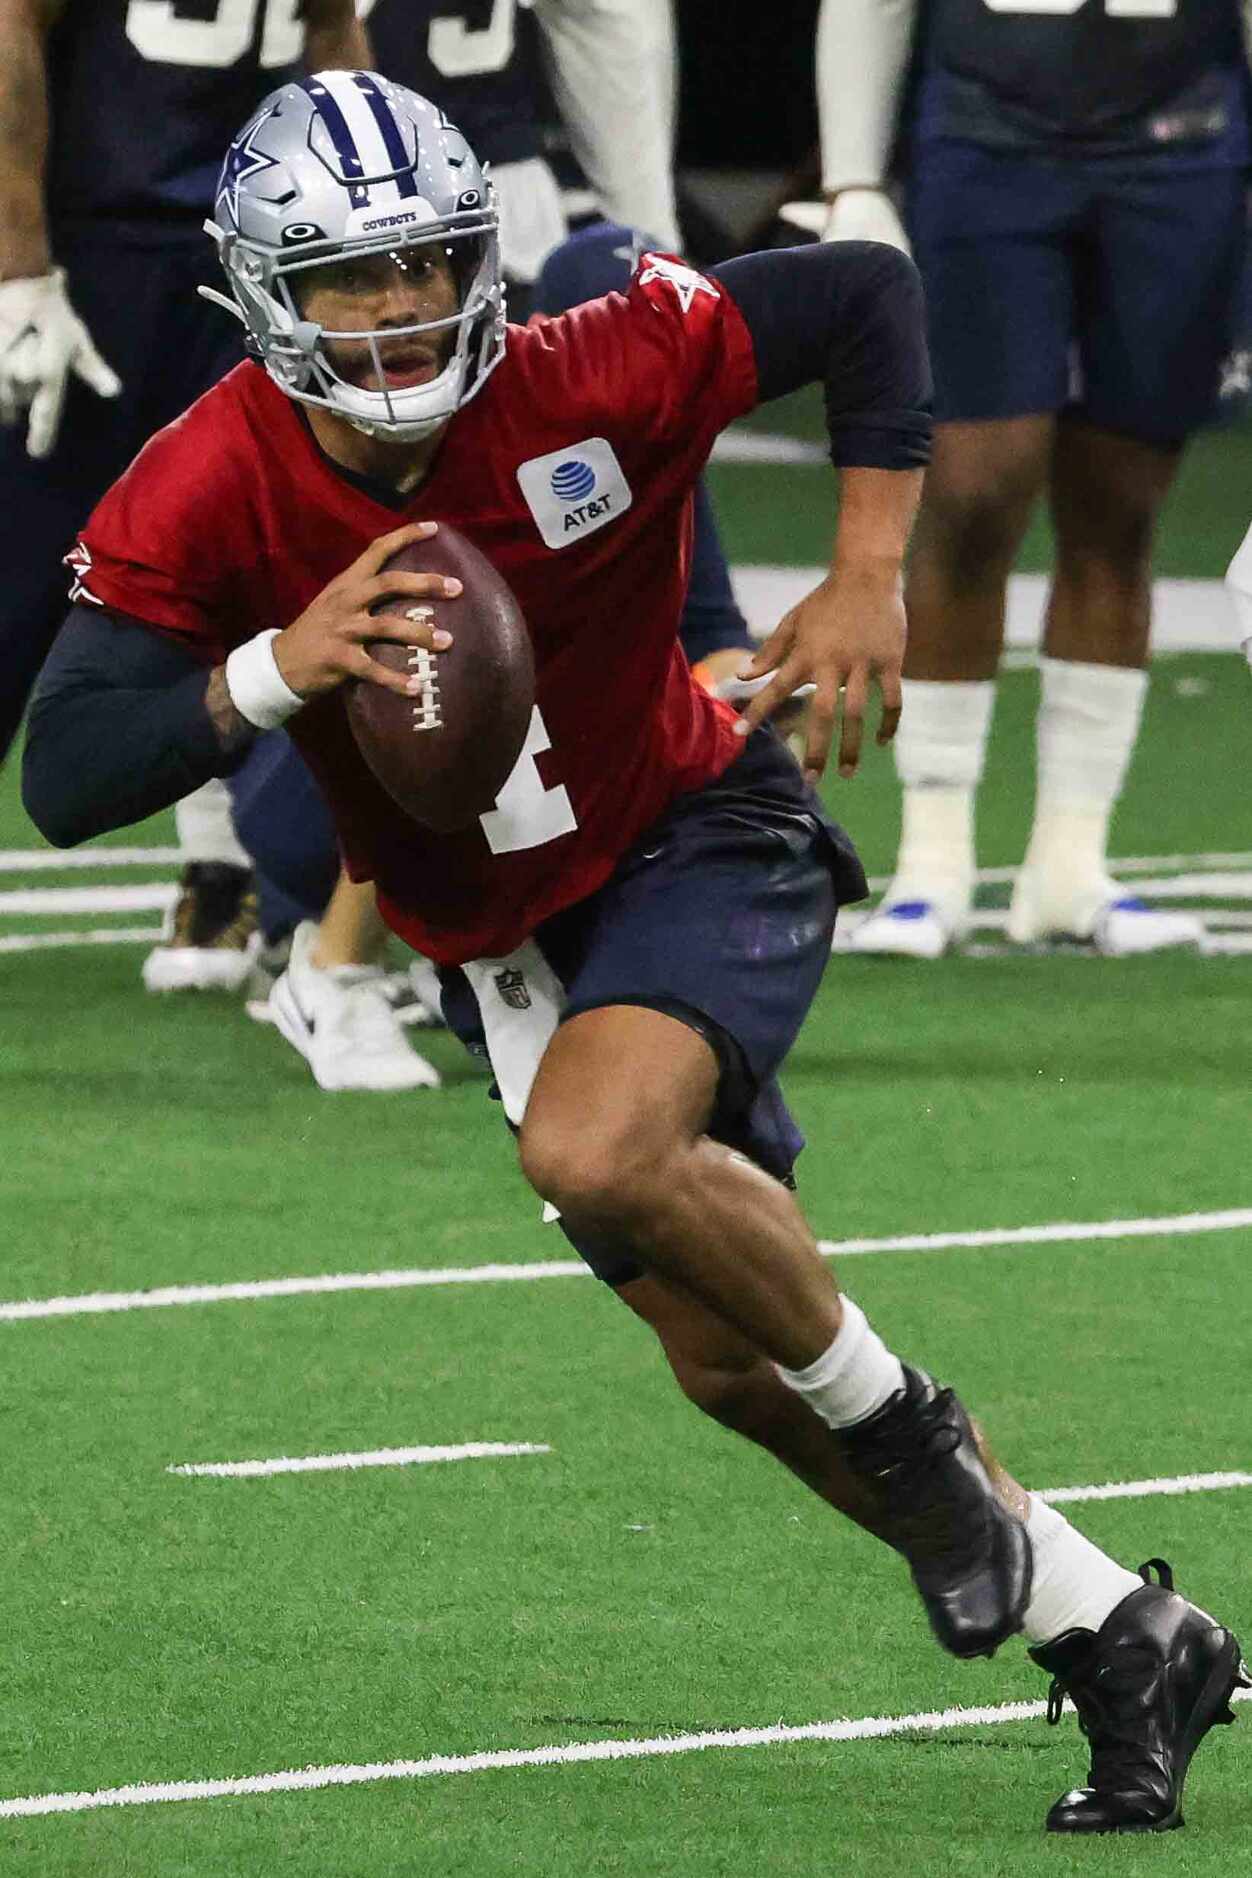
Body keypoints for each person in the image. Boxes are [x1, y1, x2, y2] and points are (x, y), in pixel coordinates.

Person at [23, 75, 1246, 1832]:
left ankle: (929, 1465)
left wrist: (863, 570)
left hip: (695, 823)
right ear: (264, 295)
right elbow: (65, 772)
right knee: (729, 1358)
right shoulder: (213, 469)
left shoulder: (586, 365)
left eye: (426, 263)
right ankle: (1119, 1628)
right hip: (501, 931)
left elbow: (858, 294)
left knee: (594, 1146)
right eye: (349, 279)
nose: (398, 311)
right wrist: (281, 666)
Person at [815, 0, 1245, 957]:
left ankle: (1069, 863)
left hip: (1183, 140)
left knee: (1124, 503)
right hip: (986, 131)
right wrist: (851, 173)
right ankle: (931, 862)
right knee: (974, 488)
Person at [0, 0, 368, 990]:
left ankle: (254, 883)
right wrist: (16, 263)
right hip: (90, 249)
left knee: (258, 573)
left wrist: (361, 239)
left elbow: (332, 38)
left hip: (249, 259)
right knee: (19, 572)